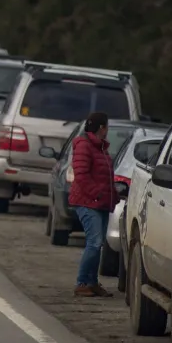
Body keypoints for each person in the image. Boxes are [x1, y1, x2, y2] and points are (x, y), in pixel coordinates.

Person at [69, 111, 118, 298]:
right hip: (87, 202)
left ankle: (92, 282)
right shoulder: (84, 146)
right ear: (101, 127)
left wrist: (113, 195)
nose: (108, 130)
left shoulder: (100, 148)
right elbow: (81, 176)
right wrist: (96, 194)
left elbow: (103, 176)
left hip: (101, 203)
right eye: (106, 126)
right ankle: (81, 282)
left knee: (98, 244)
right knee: (94, 242)